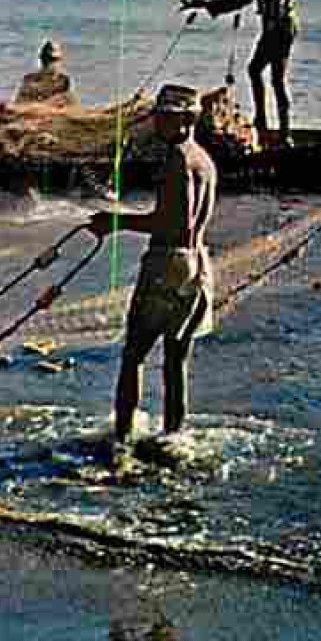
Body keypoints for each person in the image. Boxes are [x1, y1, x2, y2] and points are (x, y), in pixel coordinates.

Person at [87, 84, 218, 461]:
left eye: (166, 116)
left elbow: (173, 223)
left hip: (167, 264)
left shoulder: (178, 158)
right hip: (198, 267)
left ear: (186, 120)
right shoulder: (204, 160)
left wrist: (116, 222)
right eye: (159, 114)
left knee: (133, 356)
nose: (158, 121)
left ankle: (122, 442)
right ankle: (173, 436)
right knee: (176, 359)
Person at [179, 0, 300, 146]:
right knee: (256, 71)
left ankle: (283, 133)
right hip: (275, 27)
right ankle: (265, 122)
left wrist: (204, 4)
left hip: (280, 28)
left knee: (275, 79)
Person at [12, 39, 76, 107]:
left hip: (53, 113)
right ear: (41, 60)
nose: (51, 65)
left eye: (54, 60)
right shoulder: (29, 79)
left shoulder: (64, 80)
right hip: (32, 113)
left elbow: (71, 105)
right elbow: (18, 103)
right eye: (47, 60)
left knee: (68, 97)